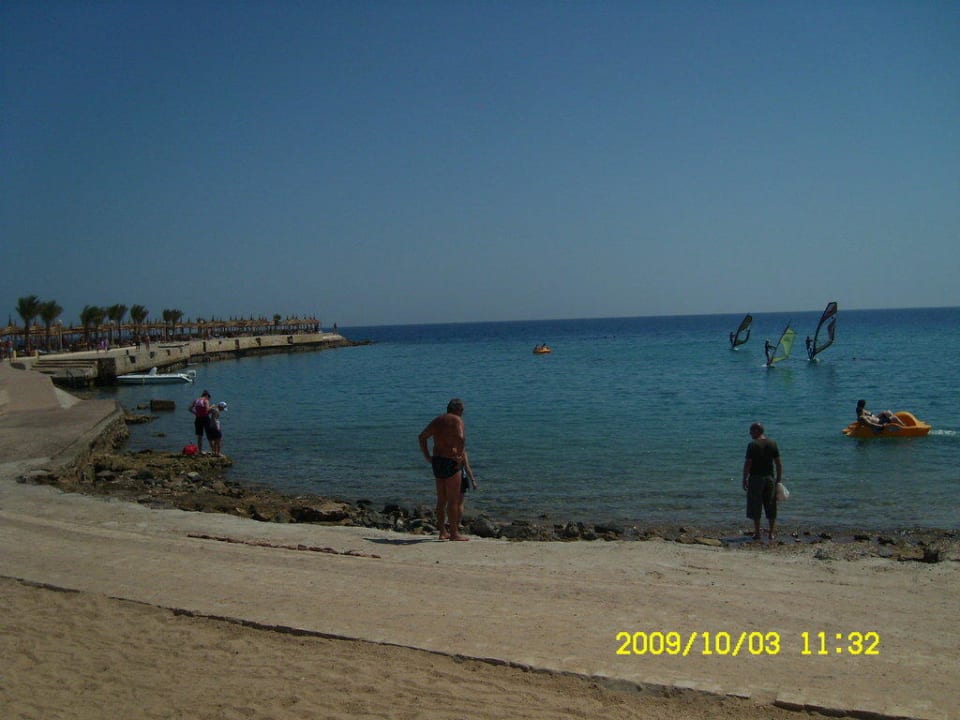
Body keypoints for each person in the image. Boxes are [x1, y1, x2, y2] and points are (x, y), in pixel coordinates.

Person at [418, 398, 469, 541]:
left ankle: (442, 532)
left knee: (441, 499)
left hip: (437, 460)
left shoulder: (438, 420)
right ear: (458, 410)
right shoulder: (456, 420)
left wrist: (427, 456)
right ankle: (454, 533)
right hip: (450, 461)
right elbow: (461, 437)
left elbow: (422, 437)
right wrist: (459, 455)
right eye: (462, 410)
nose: (463, 413)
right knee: (453, 500)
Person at [742, 422, 783, 541]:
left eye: (751, 431)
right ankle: (771, 533)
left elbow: (748, 464)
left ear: (756, 431)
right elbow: (778, 463)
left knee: (756, 505)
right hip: (770, 478)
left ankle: (757, 533)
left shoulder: (752, 445)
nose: (750, 433)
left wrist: (744, 478)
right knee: (770, 505)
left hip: (756, 478)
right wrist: (779, 478)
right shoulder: (772, 443)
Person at [458, 450, 479, 527]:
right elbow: (467, 467)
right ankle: (458, 523)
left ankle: (450, 521)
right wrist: (473, 480)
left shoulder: (446, 449)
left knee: (450, 501)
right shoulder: (462, 451)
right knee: (460, 503)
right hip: (461, 478)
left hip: (448, 478)